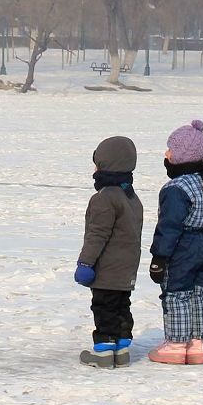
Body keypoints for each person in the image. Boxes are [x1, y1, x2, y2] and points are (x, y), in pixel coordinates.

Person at [148, 120, 203, 365]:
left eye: (170, 149)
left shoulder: (176, 188)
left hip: (183, 247)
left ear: (181, 156)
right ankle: (196, 343)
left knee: (177, 292)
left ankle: (177, 344)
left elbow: (169, 226)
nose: (166, 154)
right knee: (199, 293)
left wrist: (159, 257)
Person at [74, 136, 144, 369]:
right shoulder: (132, 198)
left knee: (104, 308)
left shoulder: (103, 199)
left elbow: (97, 235)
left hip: (107, 271)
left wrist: (85, 263)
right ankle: (121, 349)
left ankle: (104, 350)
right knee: (121, 307)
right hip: (126, 270)